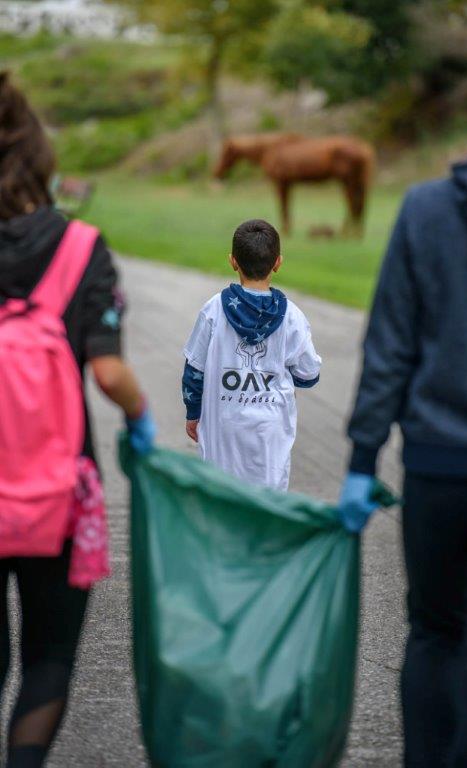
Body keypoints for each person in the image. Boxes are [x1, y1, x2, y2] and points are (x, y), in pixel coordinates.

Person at [339, 55, 467, 767]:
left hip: (439, 469)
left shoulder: (424, 210)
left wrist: (358, 460)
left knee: (434, 635)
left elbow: (388, 348)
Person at [0, 71, 156, 767]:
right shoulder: (79, 247)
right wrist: (140, 413)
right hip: (55, 493)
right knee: (49, 654)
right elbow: (108, 371)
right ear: (40, 158)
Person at [182, 219, 321, 491]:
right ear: (278, 262)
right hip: (270, 435)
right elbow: (309, 373)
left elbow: (194, 368)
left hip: (223, 428)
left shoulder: (213, 310)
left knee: (221, 497)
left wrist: (193, 412)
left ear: (233, 261)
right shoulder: (292, 316)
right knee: (267, 502)